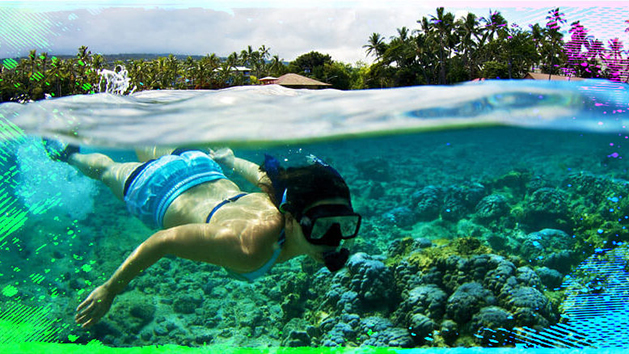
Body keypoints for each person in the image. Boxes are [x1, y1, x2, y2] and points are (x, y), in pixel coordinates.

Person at [44, 143, 362, 329]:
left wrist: (228, 160)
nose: (334, 239)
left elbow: (267, 177)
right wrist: (110, 289)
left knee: (155, 150)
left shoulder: (284, 200)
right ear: (290, 219)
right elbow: (162, 241)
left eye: (344, 225)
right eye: (321, 226)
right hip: (157, 189)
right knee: (105, 170)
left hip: (204, 167)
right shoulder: (247, 249)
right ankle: (67, 154)